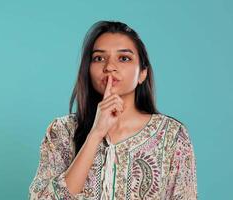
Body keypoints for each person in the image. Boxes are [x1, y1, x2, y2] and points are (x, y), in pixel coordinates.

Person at [28, 20, 197, 200]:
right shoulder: (62, 131)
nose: (109, 67)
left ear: (142, 73)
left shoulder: (171, 135)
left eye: (124, 58)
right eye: (99, 58)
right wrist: (96, 134)